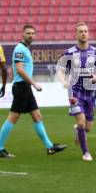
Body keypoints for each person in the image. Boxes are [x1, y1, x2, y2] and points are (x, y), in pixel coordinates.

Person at [0, 25, 67, 158]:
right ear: (22, 34)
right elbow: (19, 69)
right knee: (13, 117)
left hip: (24, 87)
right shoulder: (20, 48)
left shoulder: (24, 49)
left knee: (37, 116)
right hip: (22, 87)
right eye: (28, 33)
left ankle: (49, 147)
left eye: (33, 33)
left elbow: (18, 68)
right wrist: (34, 83)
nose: (31, 35)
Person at [56, 23, 96, 161]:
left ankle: (78, 130)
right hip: (75, 92)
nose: (83, 33)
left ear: (88, 33)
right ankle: (86, 153)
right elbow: (60, 69)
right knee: (82, 122)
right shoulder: (70, 52)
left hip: (91, 94)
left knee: (88, 128)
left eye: (85, 31)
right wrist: (64, 81)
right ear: (76, 34)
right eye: (80, 31)